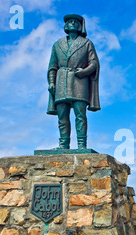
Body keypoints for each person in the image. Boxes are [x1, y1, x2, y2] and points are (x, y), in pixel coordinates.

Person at [47, 14, 100, 150]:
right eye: (69, 21)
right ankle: (63, 144)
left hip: (79, 81)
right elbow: (53, 66)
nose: (72, 23)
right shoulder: (57, 44)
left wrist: (84, 72)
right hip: (61, 81)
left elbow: (94, 63)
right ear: (65, 26)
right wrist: (52, 83)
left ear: (80, 26)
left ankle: (82, 145)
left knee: (80, 115)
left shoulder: (87, 43)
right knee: (62, 116)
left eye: (75, 22)